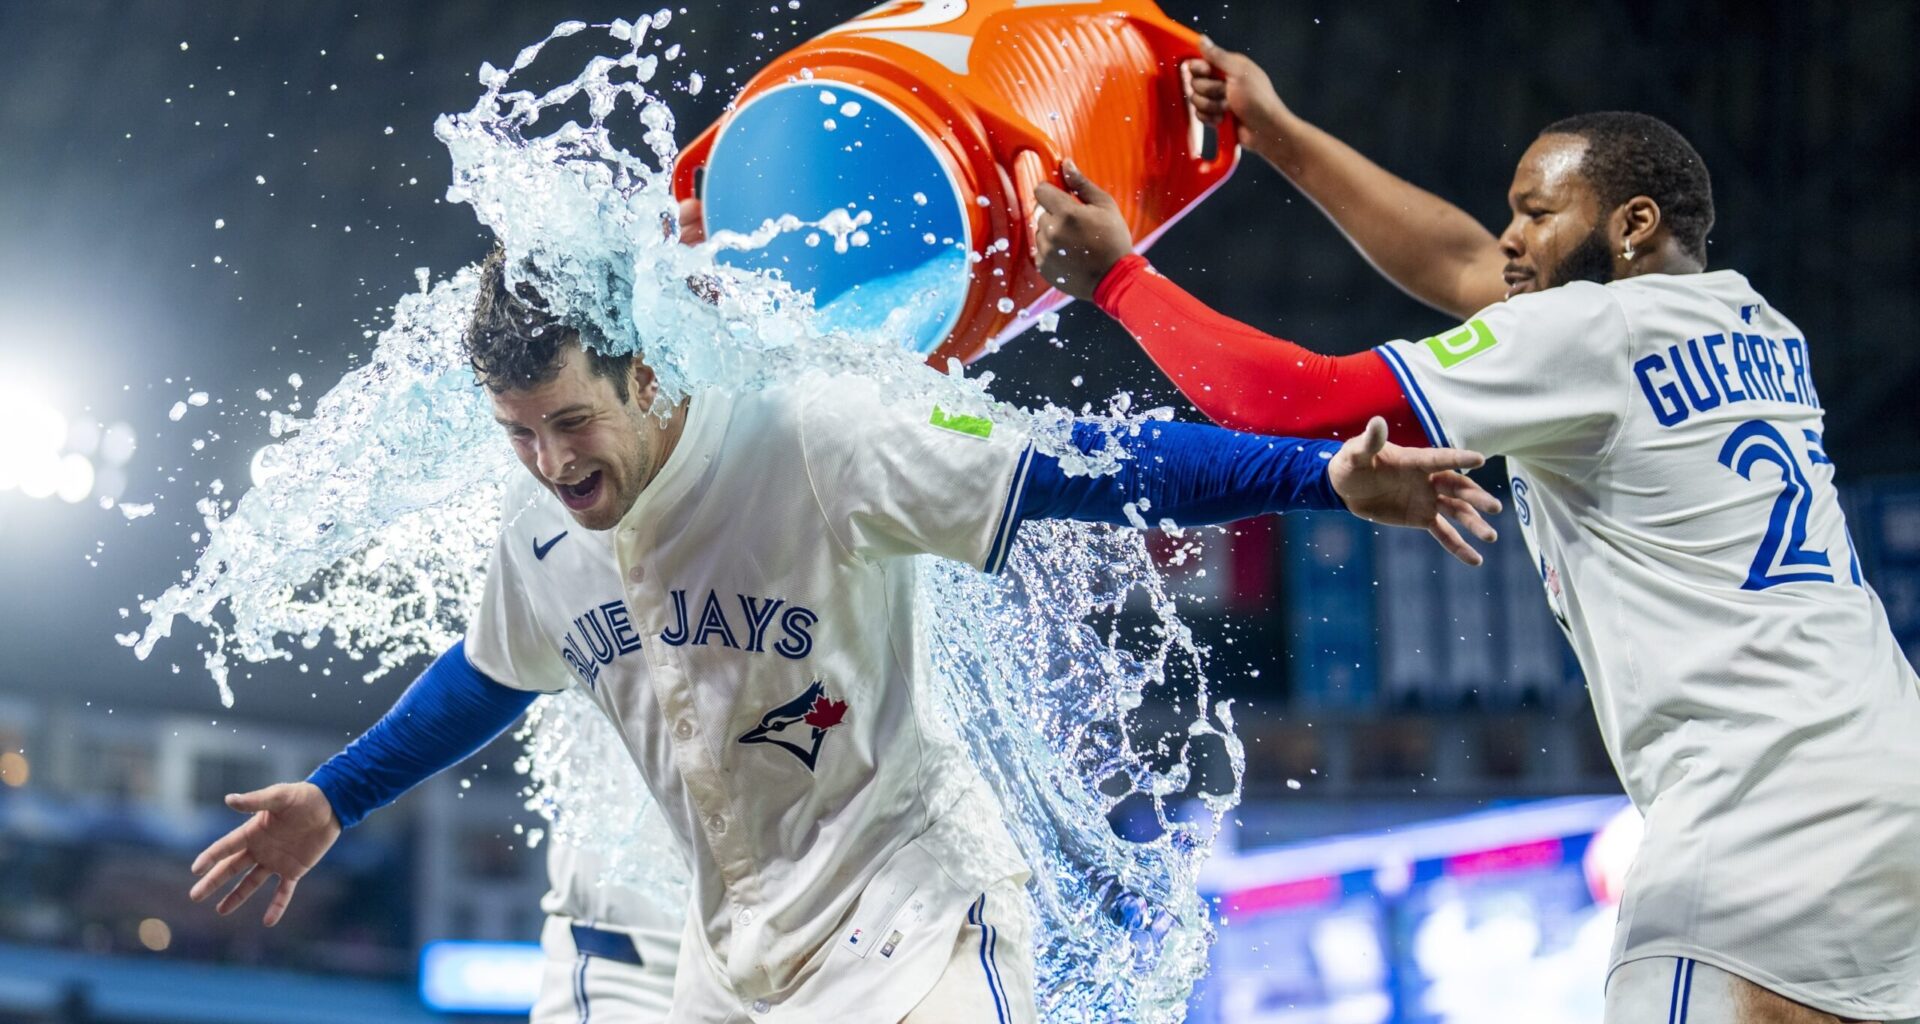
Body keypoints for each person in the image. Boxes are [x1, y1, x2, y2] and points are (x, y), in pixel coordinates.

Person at [186, 245, 1500, 1023]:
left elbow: (1086, 463)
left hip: (912, 921)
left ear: (649, 377)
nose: (548, 461)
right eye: (519, 432)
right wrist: (337, 798)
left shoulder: (818, 440)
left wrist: (1318, 478)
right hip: (732, 958)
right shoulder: (538, 529)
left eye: (573, 423)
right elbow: (488, 675)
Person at [1030, 35, 1920, 1024]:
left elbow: (1291, 396)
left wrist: (1116, 280)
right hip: (1887, 768)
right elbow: (1457, 260)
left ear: (1632, 225)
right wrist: (1277, 134)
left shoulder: (1589, 334)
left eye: (1537, 213)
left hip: (1761, 806)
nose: (1509, 236)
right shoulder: (1752, 319)